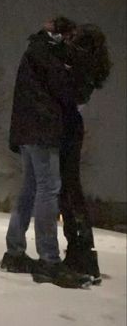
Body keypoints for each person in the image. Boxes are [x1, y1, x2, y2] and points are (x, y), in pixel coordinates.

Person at [0, 17, 91, 288]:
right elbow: (67, 89)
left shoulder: (36, 50)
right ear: (61, 35)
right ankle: (49, 261)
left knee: (30, 189)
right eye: (70, 37)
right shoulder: (46, 52)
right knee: (49, 189)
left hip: (29, 130)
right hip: (41, 129)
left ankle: (14, 253)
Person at [59, 24, 112, 284]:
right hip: (71, 127)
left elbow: (68, 92)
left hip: (67, 128)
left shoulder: (82, 64)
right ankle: (81, 249)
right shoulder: (91, 66)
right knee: (69, 189)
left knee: (68, 189)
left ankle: (81, 251)